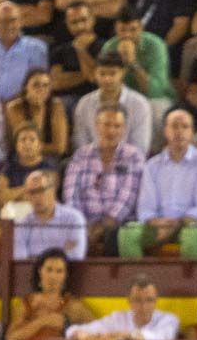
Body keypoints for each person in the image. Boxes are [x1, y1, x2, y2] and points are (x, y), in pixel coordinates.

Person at [122, 110, 197, 258]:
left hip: (190, 225)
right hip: (158, 225)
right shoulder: (152, 165)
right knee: (127, 235)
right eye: (174, 126)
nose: (179, 131)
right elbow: (145, 208)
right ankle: (138, 280)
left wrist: (176, 223)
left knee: (191, 238)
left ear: (192, 133)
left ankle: (188, 281)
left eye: (185, 127)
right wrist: (157, 222)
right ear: (165, 131)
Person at [63, 105, 146, 256]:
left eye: (117, 126)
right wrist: (82, 226)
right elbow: (71, 194)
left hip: (119, 223)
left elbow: (128, 198)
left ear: (124, 129)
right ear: (96, 126)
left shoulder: (133, 156)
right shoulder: (81, 155)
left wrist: (102, 227)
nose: (111, 131)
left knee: (114, 237)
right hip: (84, 223)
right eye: (107, 125)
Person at [5, 247, 92, 340]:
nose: (53, 276)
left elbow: (96, 333)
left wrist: (68, 327)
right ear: (40, 271)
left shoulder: (74, 306)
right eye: (49, 270)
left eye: (59, 271)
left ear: (65, 276)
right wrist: (43, 321)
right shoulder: (25, 304)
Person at [100, 5, 175, 131]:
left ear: (141, 28)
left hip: (154, 98)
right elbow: (106, 83)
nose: (127, 35)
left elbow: (155, 91)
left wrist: (133, 63)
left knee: (156, 110)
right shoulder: (110, 47)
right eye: (122, 30)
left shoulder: (156, 45)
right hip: (122, 96)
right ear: (116, 29)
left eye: (133, 30)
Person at [67, 273, 181, 340]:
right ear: (129, 301)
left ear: (156, 300)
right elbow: (72, 330)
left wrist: (124, 336)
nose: (144, 306)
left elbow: (161, 339)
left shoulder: (169, 319)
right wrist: (84, 335)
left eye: (149, 300)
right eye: (137, 300)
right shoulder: (118, 319)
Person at [73, 52, 153, 154]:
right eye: (102, 74)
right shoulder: (84, 104)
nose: (107, 79)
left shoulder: (140, 104)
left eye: (112, 73)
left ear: (122, 73)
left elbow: (140, 146)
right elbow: (80, 142)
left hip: (129, 162)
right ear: (95, 74)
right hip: (90, 161)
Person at [15, 171, 87, 260]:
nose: (37, 196)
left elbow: (75, 256)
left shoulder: (73, 219)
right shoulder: (22, 225)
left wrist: (35, 258)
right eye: (32, 192)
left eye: (41, 190)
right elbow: (21, 262)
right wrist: (61, 252)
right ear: (27, 196)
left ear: (52, 190)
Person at [5, 69, 69, 159]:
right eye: (36, 85)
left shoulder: (56, 106)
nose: (41, 89)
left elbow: (60, 148)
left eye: (46, 85)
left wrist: (41, 109)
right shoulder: (14, 108)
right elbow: (22, 143)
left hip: (51, 158)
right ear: (25, 87)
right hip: (21, 158)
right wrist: (38, 112)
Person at [48, 1, 102, 105]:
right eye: (74, 22)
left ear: (93, 19)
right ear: (67, 25)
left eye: (83, 20)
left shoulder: (105, 47)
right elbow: (56, 83)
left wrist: (81, 51)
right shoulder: (59, 50)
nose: (80, 26)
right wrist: (86, 74)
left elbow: (95, 78)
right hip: (67, 100)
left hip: (97, 99)